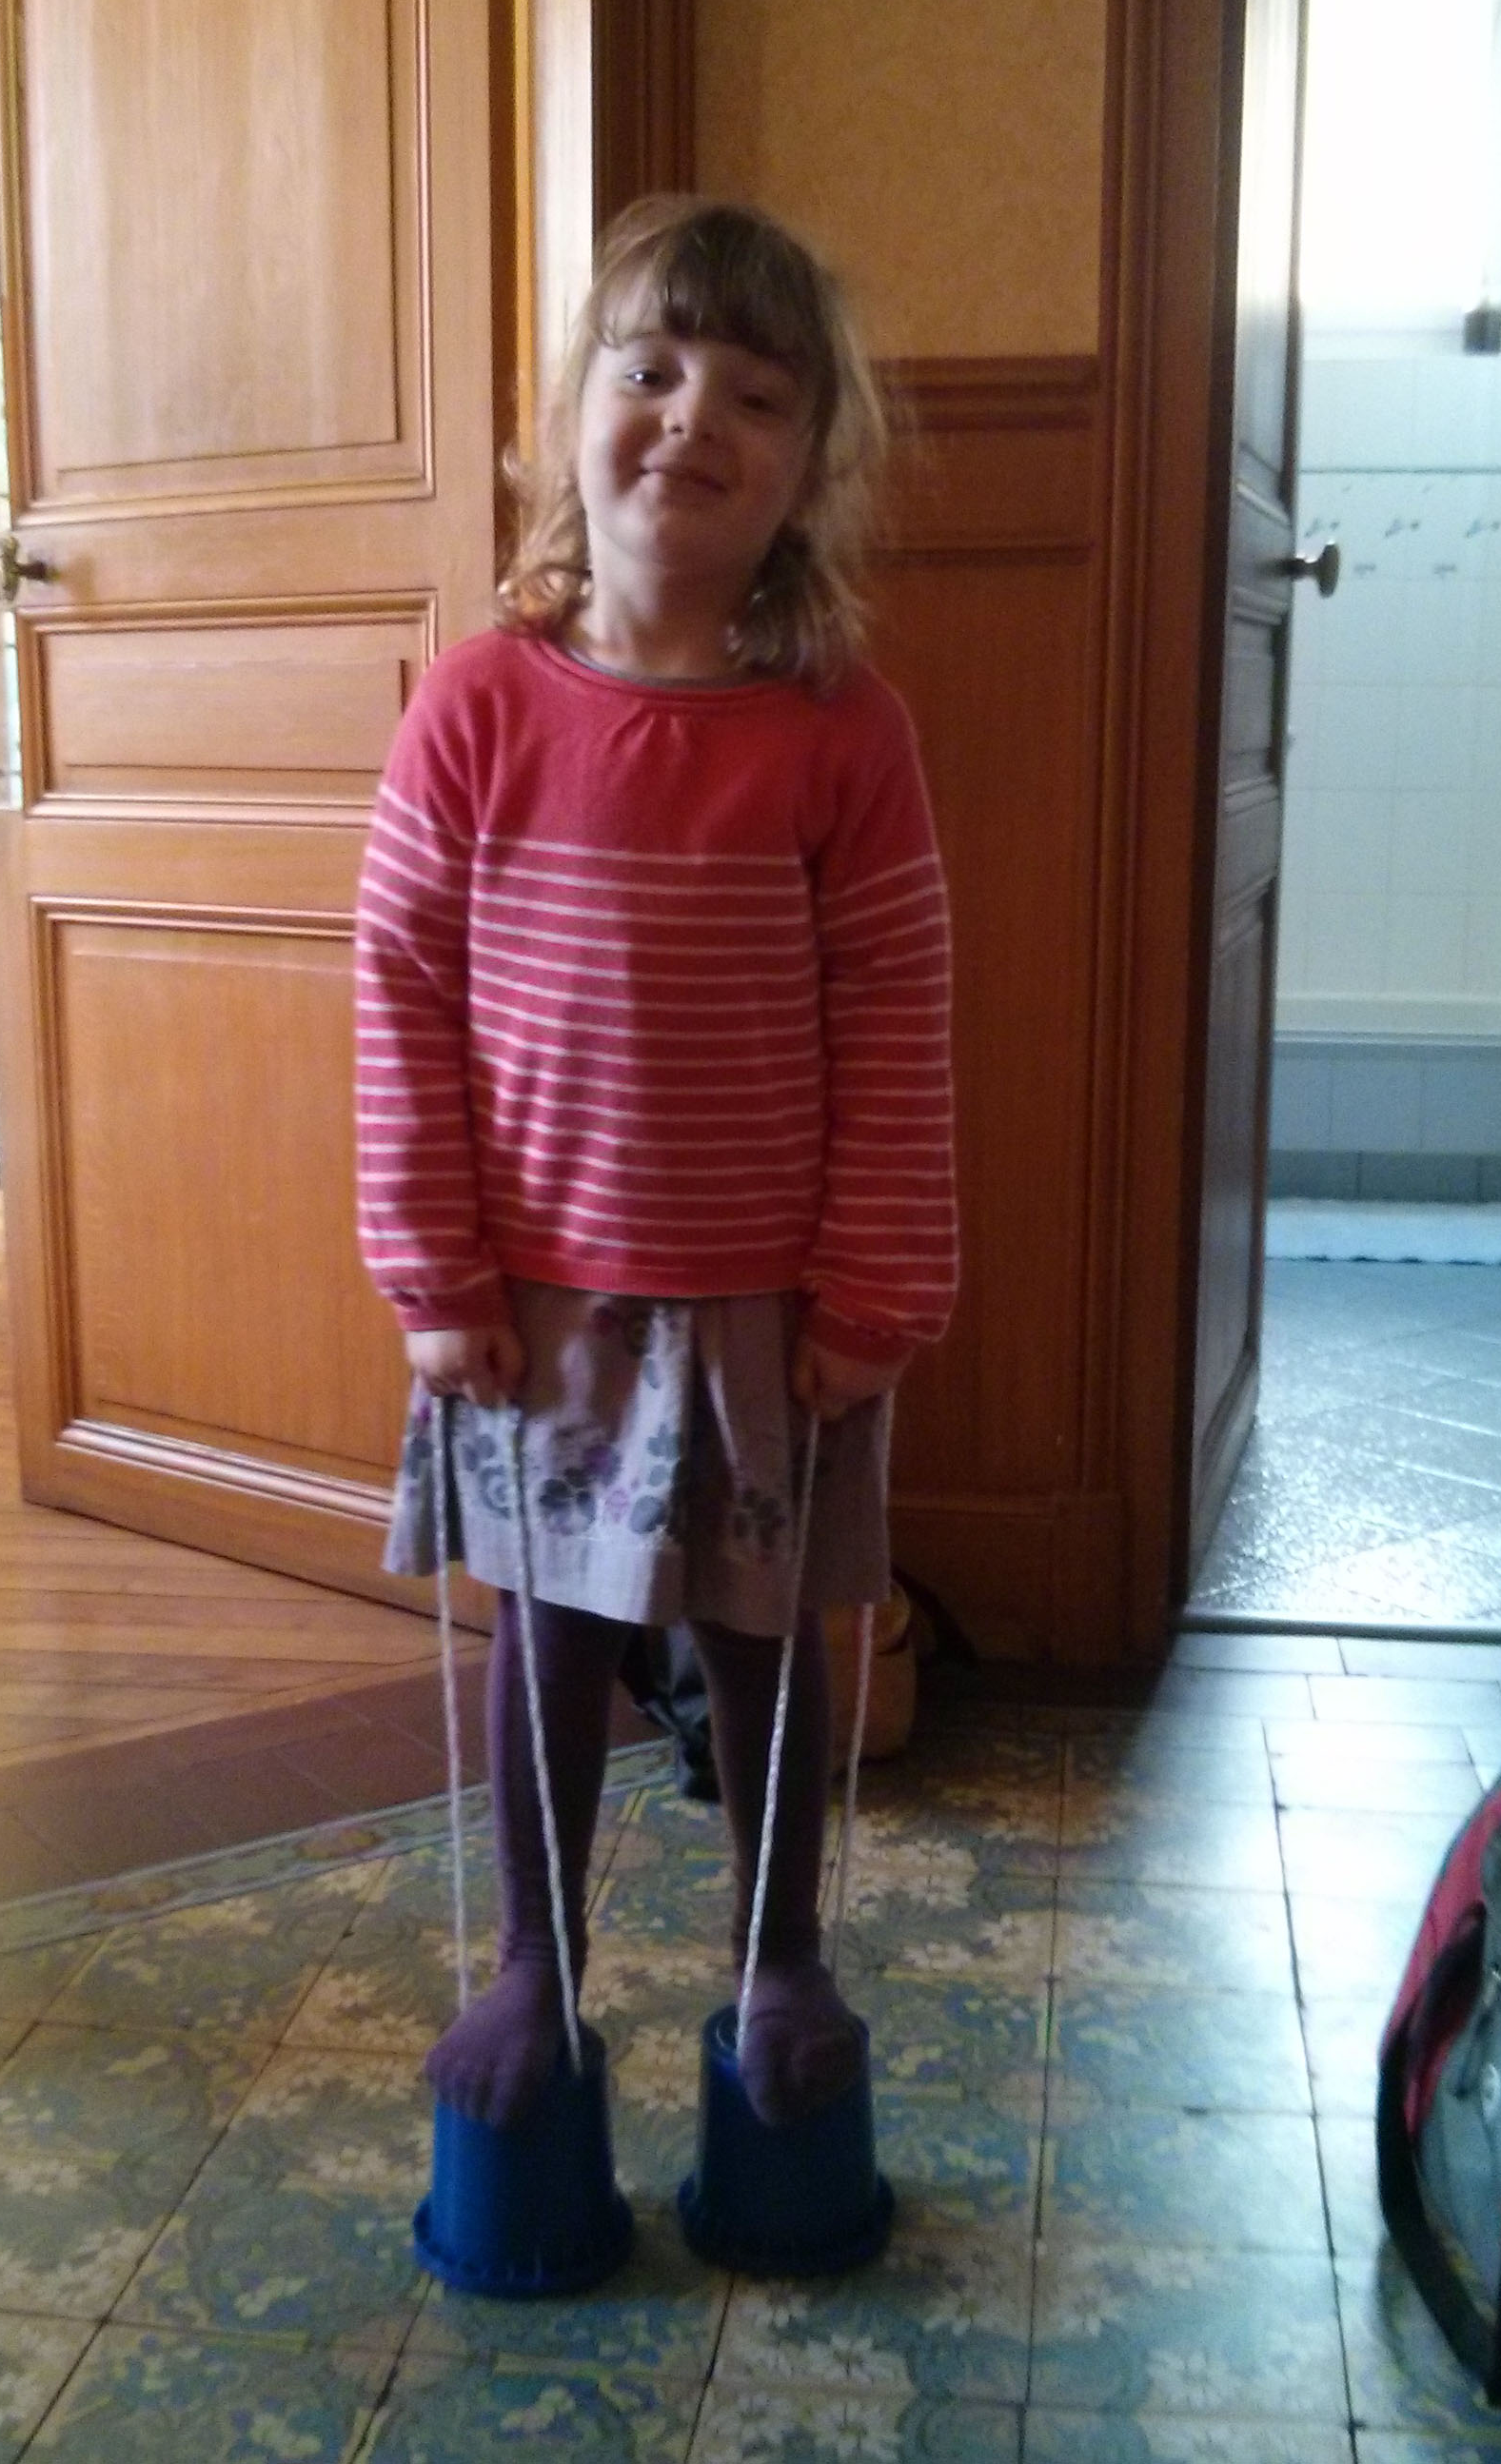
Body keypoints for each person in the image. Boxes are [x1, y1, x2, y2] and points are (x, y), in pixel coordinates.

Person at [355, 196, 958, 2139]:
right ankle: (536, 1964)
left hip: (770, 1309)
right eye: (652, 368)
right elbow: (401, 991)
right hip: (541, 1305)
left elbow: (899, 1011)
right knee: (552, 1637)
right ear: (572, 417)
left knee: (767, 1643)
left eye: (755, 395)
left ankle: (780, 1960)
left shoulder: (841, 732)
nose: (694, 414)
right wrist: (434, 1274)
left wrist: (877, 1293)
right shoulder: (474, 707)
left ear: (809, 466)